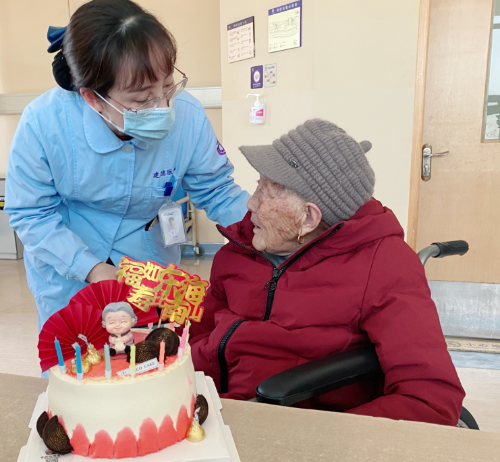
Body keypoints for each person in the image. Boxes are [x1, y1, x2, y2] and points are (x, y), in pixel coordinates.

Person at [190, 119, 465, 426]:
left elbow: (431, 401)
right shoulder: (239, 248)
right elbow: (201, 335)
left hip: (286, 427)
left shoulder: (383, 264)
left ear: (308, 218)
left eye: (265, 193)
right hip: (208, 409)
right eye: (257, 185)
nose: (250, 203)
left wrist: (323, 441)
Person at [5, 0, 249, 332]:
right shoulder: (44, 123)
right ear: (92, 98)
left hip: (149, 267)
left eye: (167, 86)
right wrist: (89, 267)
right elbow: (31, 214)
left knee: (153, 362)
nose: (162, 106)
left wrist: (265, 228)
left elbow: (218, 191)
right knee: (80, 365)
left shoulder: (188, 116)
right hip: (67, 268)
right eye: (141, 99)